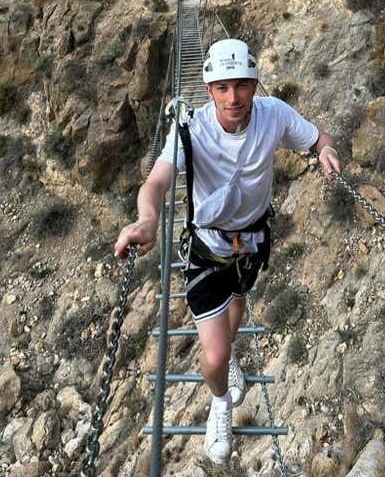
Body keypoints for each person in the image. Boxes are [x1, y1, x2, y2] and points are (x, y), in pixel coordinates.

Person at [114, 38, 341, 464]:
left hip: (251, 246)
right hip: (205, 248)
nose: (232, 97)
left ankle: (230, 358)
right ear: (208, 90)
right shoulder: (191, 130)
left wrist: (326, 150)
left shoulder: (274, 116)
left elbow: (317, 138)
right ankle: (220, 403)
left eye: (241, 85)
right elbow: (156, 182)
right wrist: (148, 221)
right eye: (222, 88)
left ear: (255, 84)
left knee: (235, 314)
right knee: (214, 354)